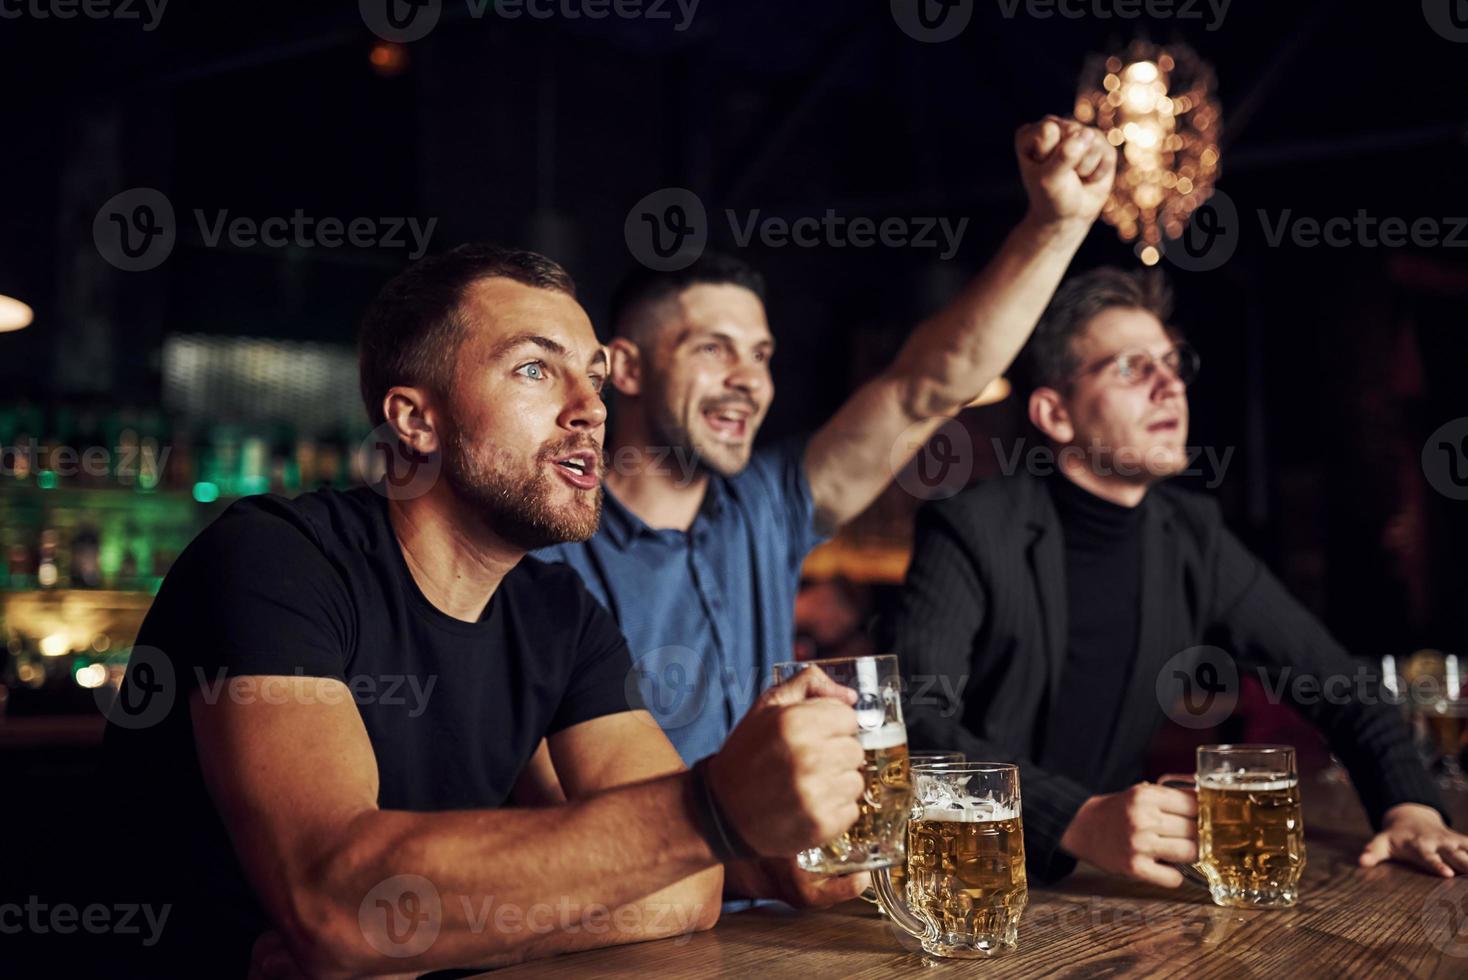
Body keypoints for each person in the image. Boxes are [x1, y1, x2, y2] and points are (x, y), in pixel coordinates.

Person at [100, 245, 874, 978]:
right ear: (415, 420)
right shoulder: (275, 562)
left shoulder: (558, 613)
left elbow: (686, 891)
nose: (591, 412)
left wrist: (419, 945)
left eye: (596, 379)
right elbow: (337, 899)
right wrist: (709, 808)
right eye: (536, 369)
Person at [534, 111, 1114, 785]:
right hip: (653, 887)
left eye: (760, 356)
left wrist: (1055, 225)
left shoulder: (766, 505)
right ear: (625, 369)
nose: (748, 381)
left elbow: (924, 389)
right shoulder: (550, 545)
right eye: (712, 350)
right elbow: (553, 800)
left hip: (796, 886)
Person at [895, 266, 1468, 889]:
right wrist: (1076, 818)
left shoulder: (1190, 534)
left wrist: (1410, 808)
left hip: (1095, 892)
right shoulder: (971, 527)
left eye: (1172, 363)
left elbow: (1340, 685)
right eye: (1131, 368)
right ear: (1055, 414)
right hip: (956, 882)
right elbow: (915, 724)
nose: (1170, 386)